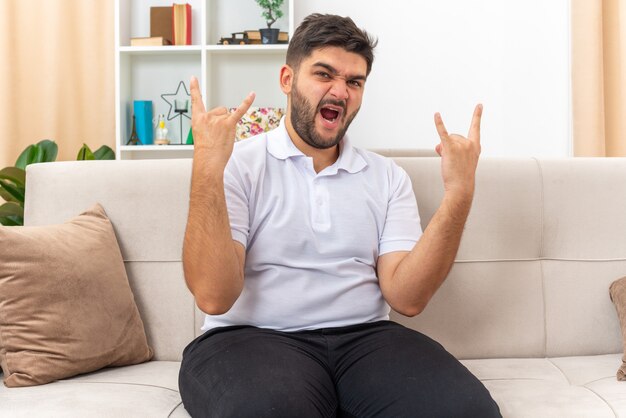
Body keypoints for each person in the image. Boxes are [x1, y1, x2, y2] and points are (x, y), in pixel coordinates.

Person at [179, 13, 501, 418]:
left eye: (354, 82)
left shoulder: (386, 177)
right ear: (286, 80)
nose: (340, 91)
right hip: (250, 339)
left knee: (468, 412)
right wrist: (208, 166)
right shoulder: (239, 165)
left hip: (365, 340)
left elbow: (408, 298)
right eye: (324, 74)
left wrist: (459, 193)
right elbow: (213, 295)